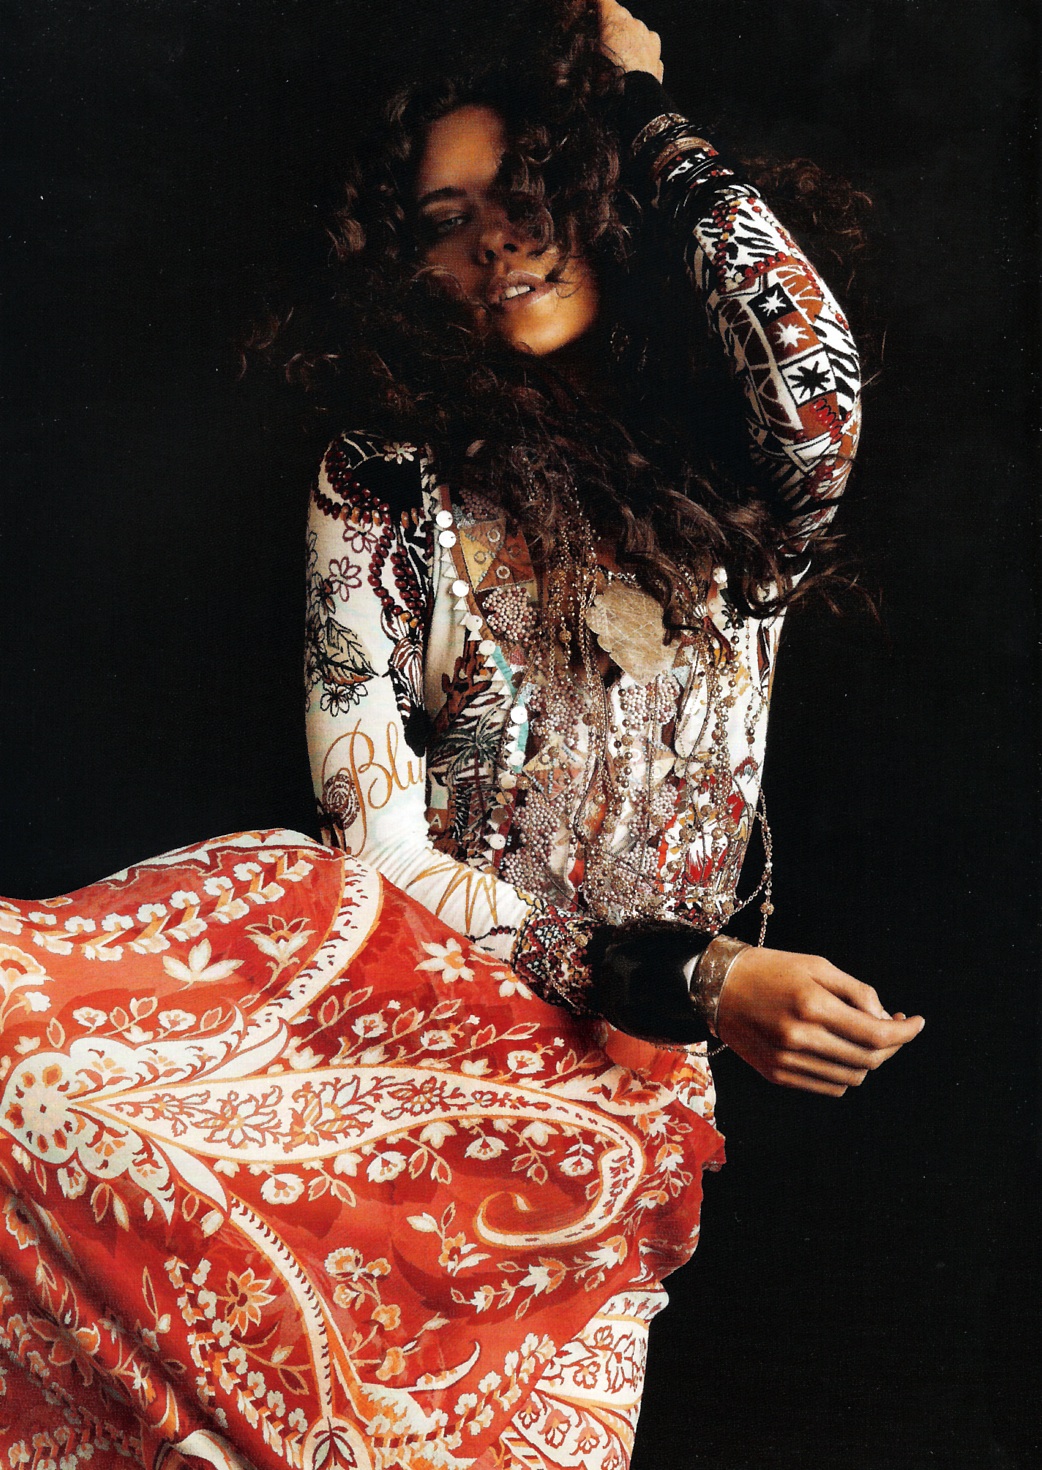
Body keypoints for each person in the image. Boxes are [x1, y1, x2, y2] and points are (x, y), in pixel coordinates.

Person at [0, 4, 923, 1468]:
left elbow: (815, 385)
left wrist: (645, 114)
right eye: (446, 220)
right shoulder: (383, 483)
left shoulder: (739, 485)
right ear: (401, 263)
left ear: (599, 192)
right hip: (394, 1052)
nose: (499, 240)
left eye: (531, 189)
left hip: (610, 1123)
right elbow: (380, 852)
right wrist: (700, 970)